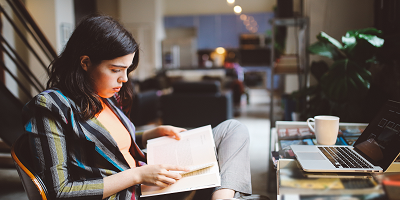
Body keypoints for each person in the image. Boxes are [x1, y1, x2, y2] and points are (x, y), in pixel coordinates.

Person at [22, 14, 252, 200]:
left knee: (232, 130)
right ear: (85, 63)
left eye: (127, 70)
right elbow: (58, 192)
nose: (124, 79)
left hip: (146, 174)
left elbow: (105, 143)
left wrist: (150, 134)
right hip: (133, 191)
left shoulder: (100, 94)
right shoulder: (51, 106)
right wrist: (138, 175)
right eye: (116, 69)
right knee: (226, 170)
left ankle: (222, 197)